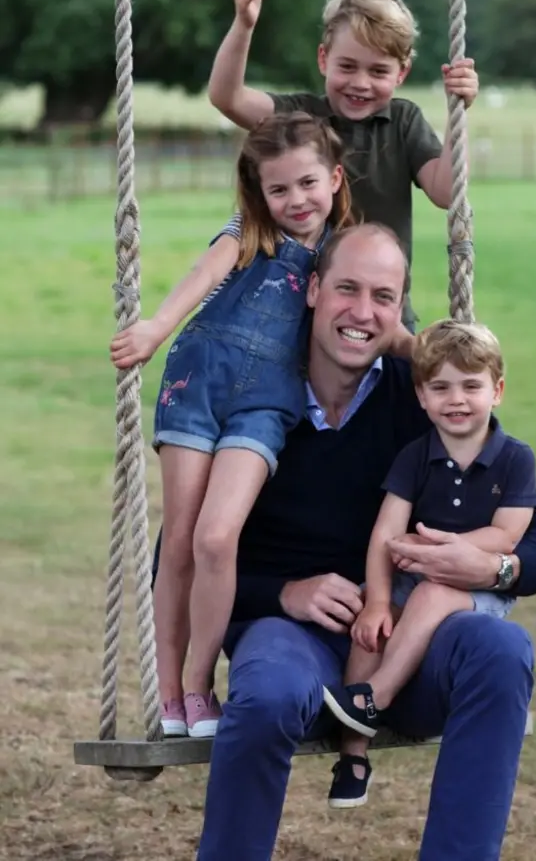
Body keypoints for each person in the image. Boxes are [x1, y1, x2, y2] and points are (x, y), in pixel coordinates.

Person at [150, 223, 536, 860]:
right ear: (313, 289)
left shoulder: (425, 396)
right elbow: (178, 555)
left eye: (384, 296)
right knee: (265, 693)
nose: (363, 312)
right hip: (291, 638)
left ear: (400, 309)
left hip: (408, 637)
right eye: (347, 289)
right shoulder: (255, 395)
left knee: (500, 647)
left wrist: (489, 566)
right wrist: (285, 593)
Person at [110, 111, 360, 740]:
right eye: (279, 189)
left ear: (333, 178)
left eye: (307, 184)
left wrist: (429, 354)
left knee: (218, 539)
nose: (295, 201)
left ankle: (199, 684)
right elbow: (204, 276)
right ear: (260, 192)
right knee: (181, 540)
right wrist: (155, 328)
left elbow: (368, 317)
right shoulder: (249, 229)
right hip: (198, 380)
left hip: (268, 401)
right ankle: (170, 693)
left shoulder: (341, 250)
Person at [322, 319, 536, 808]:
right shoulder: (416, 456)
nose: (457, 399)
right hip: (414, 571)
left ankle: (375, 696)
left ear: (497, 390)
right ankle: (353, 753)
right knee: (369, 626)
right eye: (440, 387)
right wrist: (378, 602)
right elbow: (385, 533)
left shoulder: (515, 460)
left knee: (433, 592)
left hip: (477, 585)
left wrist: (447, 552)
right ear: (421, 396)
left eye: (471, 386)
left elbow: (508, 534)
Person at [207, 0, 479, 327]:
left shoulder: (403, 121)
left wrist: (458, 111)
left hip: (383, 313)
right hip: (301, 314)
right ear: (323, 59)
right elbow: (228, 97)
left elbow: (447, 192)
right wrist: (244, 24)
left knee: (401, 380)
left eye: (378, 71)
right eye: (347, 66)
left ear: (401, 74)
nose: (360, 83)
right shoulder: (301, 117)